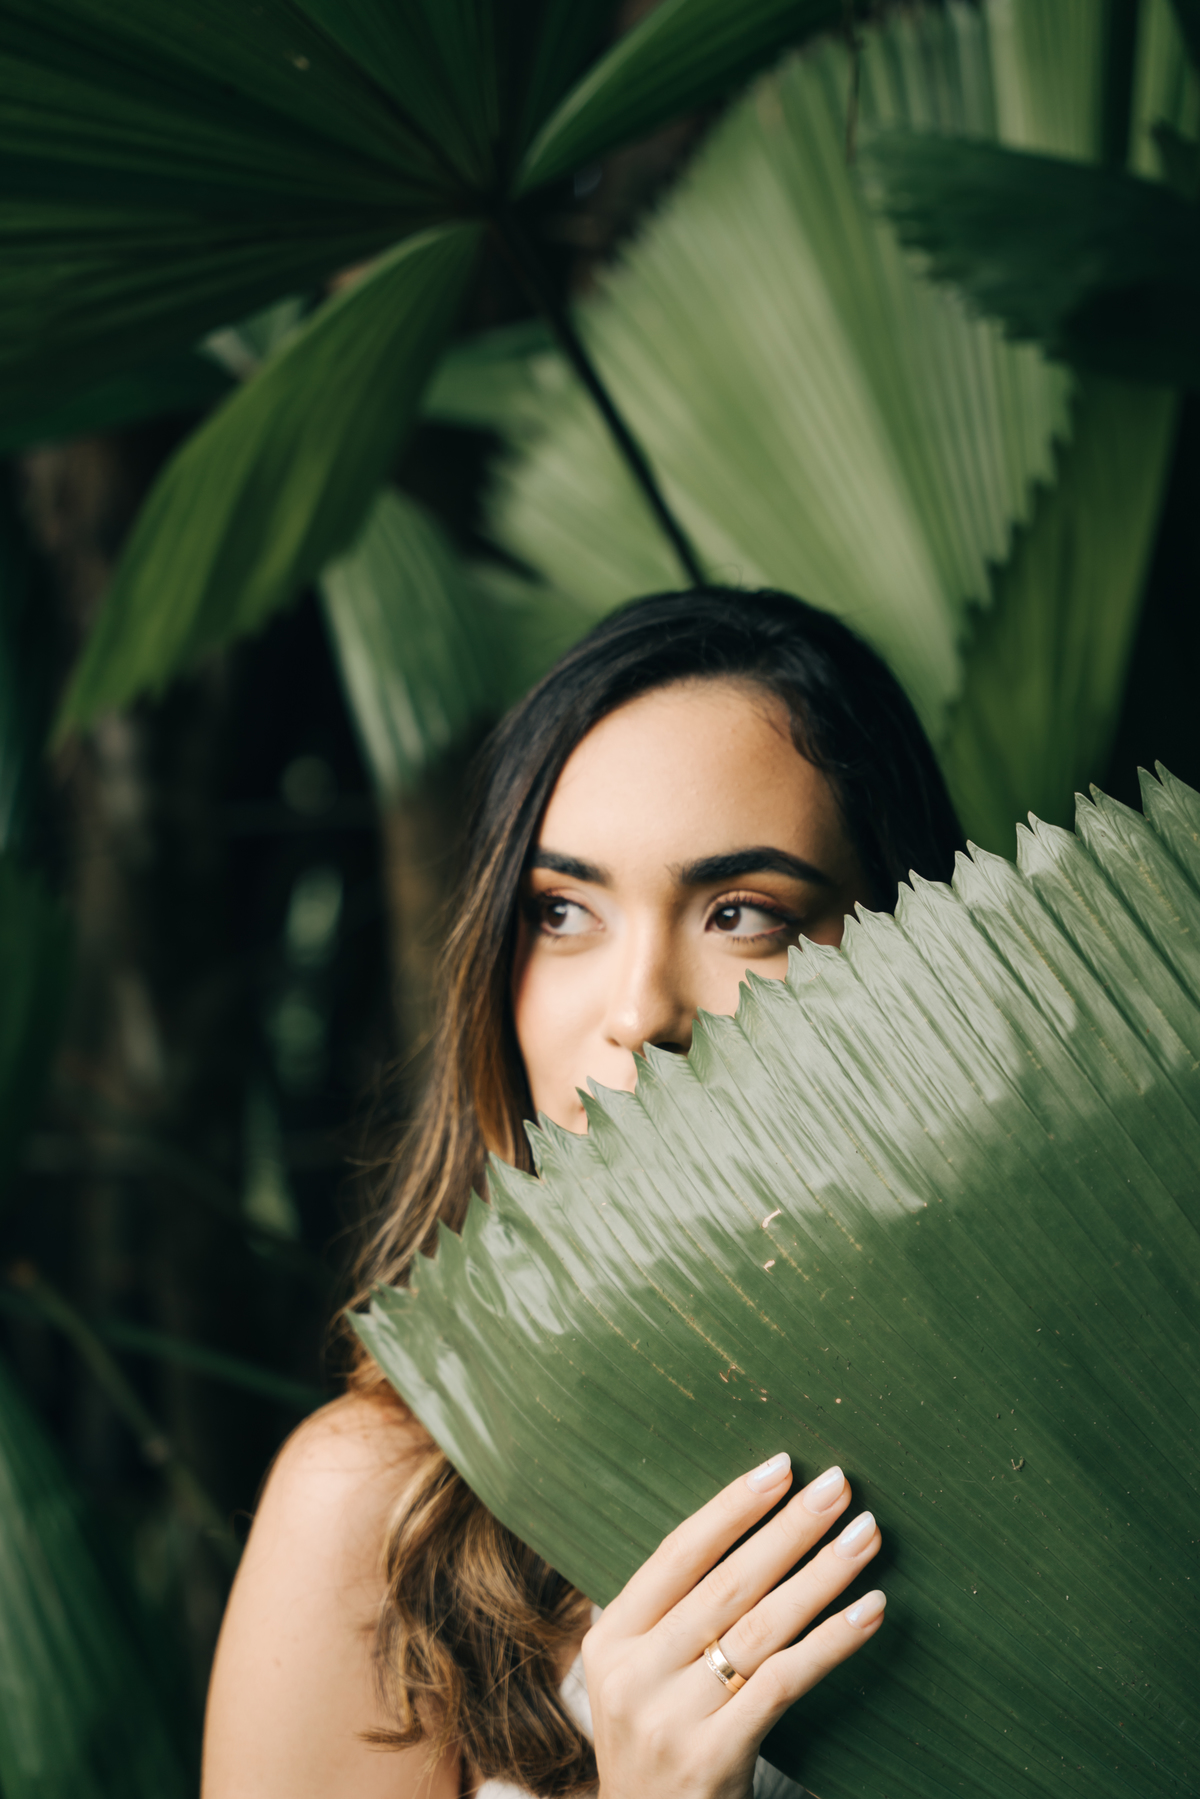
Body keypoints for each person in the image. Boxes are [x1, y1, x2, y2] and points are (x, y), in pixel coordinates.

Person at [202, 588, 964, 1799]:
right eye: (563, 911)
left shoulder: (1046, 1442)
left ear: (903, 942)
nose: (636, 1010)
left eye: (741, 913)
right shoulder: (377, 1512)